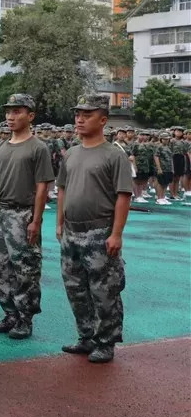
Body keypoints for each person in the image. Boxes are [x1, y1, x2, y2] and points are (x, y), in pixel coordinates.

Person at [56, 94, 132, 364]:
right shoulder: (72, 152)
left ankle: (106, 341)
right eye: (78, 113)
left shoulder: (114, 155)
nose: (80, 119)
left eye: (87, 115)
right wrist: (60, 223)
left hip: (99, 232)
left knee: (104, 291)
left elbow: (124, 195)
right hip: (72, 233)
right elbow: (62, 188)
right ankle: (86, 336)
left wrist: (117, 233)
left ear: (103, 119)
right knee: (75, 288)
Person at [0, 94, 55, 340]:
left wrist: (35, 220)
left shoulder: (38, 148)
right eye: (8, 112)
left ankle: (25, 318)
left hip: (22, 213)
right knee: (0, 267)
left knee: (25, 268)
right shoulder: (1, 146)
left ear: (30, 116)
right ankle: (9, 314)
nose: (10, 117)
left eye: (17, 112)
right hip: (0, 214)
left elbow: (41, 187)